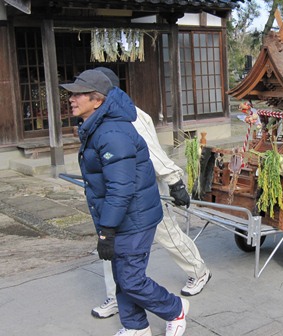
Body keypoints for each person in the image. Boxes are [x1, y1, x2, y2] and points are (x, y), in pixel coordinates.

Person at [61, 69, 188, 336]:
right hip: (123, 216)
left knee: (131, 278)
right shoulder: (96, 127)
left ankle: (175, 308)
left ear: (97, 101)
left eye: (78, 94)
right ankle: (136, 326)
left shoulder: (111, 133)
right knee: (123, 275)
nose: (71, 98)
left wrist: (107, 231)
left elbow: (120, 188)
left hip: (134, 217)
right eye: (71, 93)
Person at [90, 67, 211, 320]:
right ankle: (115, 296)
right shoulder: (95, 118)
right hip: (115, 196)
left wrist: (175, 181)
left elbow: (153, 151)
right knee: (109, 246)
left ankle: (199, 271)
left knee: (168, 234)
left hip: (144, 192)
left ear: (103, 93)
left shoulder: (129, 115)